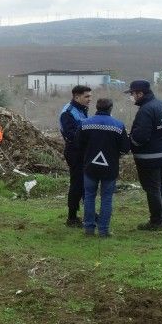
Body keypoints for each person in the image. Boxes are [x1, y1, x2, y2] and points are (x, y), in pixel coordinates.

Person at [126, 80, 162, 231]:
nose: (132, 97)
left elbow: (140, 137)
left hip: (150, 157)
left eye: (132, 93)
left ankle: (156, 222)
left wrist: (130, 142)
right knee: (161, 186)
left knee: (152, 189)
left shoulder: (145, 110)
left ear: (140, 93)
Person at [78, 98, 131, 237]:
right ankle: (103, 231)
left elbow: (78, 144)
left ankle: (89, 229)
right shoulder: (118, 125)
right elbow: (125, 148)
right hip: (110, 168)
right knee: (106, 198)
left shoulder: (85, 123)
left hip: (90, 167)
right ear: (110, 108)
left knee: (89, 197)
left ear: (97, 107)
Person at [59, 85, 92, 227]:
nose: (90, 99)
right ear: (77, 97)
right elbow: (71, 135)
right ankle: (72, 218)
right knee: (77, 184)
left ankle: (89, 213)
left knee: (85, 184)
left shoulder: (81, 109)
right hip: (74, 152)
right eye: (87, 96)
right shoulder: (68, 112)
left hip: (83, 151)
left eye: (90, 96)